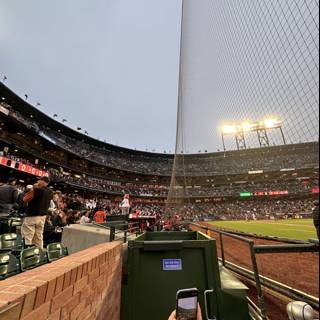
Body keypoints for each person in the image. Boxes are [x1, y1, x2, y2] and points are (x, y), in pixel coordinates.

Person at [21, 177, 53, 248]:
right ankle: (39, 252)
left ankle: (27, 252)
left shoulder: (36, 190)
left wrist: (33, 189)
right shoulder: (51, 191)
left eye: (39, 180)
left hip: (32, 216)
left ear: (42, 181)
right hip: (43, 217)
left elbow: (24, 199)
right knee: (39, 236)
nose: (38, 181)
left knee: (27, 235)